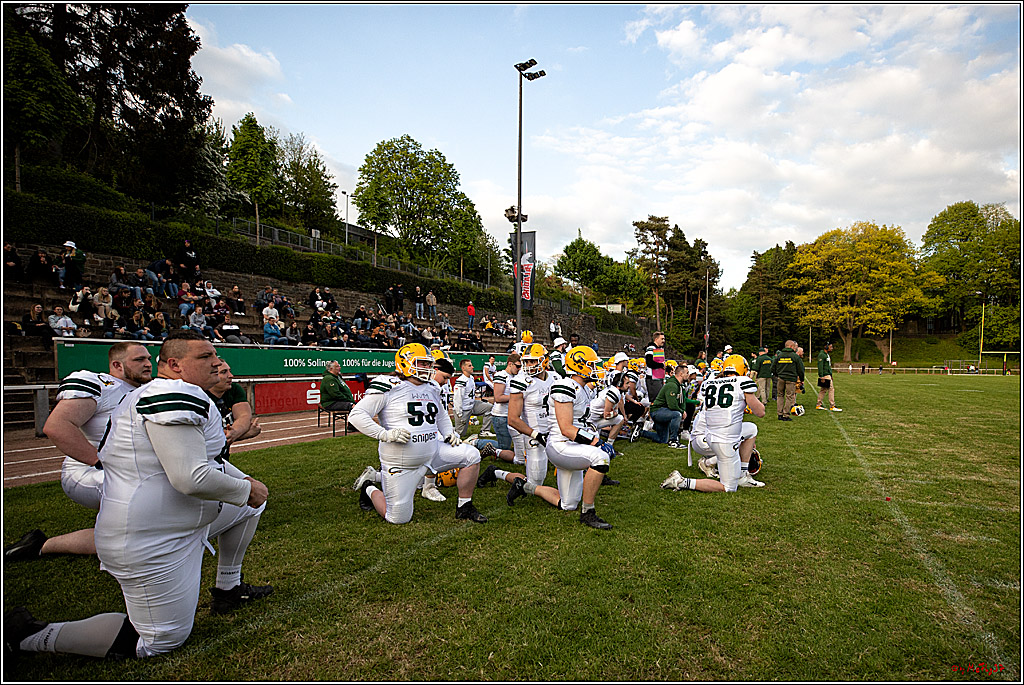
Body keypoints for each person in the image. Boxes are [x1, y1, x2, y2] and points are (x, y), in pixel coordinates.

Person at [5, 332, 271, 661]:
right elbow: (189, 476)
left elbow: (203, 460)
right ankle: (30, 634)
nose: (215, 362)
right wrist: (246, 488)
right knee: (162, 639)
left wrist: (241, 481)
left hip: (176, 523)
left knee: (247, 511)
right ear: (175, 364)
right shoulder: (173, 392)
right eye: (204, 357)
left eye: (214, 354)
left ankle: (229, 589)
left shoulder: (162, 392)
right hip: (150, 536)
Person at [5, 343, 154, 562]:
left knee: (152, 526)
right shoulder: (102, 385)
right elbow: (57, 426)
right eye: (139, 360)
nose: (148, 364)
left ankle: (120, 525)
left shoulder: (146, 390)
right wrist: (101, 461)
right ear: (117, 365)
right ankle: (41, 546)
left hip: (128, 469)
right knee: (148, 527)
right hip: (86, 472)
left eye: (149, 358)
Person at [348, 343, 487, 524]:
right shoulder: (389, 385)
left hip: (433, 452)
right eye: (421, 363)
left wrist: (448, 433)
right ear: (405, 363)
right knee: (398, 518)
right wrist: (385, 435)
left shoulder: (431, 387)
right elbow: (356, 415)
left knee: (472, 455)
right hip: (401, 461)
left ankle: (464, 506)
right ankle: (369, 488)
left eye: (428, 364)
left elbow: (441, 414)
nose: (426, 368)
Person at [503, 346, 615, 530]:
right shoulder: (565, 386)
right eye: (591, 365)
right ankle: (588, 513)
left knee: (568, 504)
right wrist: (597, 442)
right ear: (579, 366)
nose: (596, 369)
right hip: (561, 445)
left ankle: (524, 486)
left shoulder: (582, 388)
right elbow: (567, 429)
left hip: (573, 445)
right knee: (600, 458)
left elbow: (581, 422)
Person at [661, 354, 766, 492]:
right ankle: (681, 482)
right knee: (728, 487)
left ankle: (740, 473)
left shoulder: (711, 382)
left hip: (708, 435)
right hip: (723, 439)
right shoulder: (742, 381)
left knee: (751, 429)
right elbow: (760, 412)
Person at [477, 353, 525, 467]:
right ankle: (477, 442)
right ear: (510, 364)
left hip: (513, 415)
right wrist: (518, 396)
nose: (519, 369)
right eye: (518, 366)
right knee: (504, 447)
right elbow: (498, 398)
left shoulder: (516, 376)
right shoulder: (501, 375)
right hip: (501, 416)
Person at [637, 362, 689, 447]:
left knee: (662, 439)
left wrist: (682, 410)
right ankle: (673, 440)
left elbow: (681, 401)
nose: (688, 375)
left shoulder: (678, 385)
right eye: (687, 373)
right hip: (658, 411)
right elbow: (672, 405)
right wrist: (682, 411)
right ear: (681, 374)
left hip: (663, 411)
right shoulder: (672, 385)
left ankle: (640, 432)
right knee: (677, 414)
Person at [453, 358, 493, 438]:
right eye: (469, 366)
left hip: (472, 405)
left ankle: (485, 431)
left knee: (489, 407)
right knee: (460, 435)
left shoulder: (471, 378)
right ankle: (452, 429)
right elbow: (457, 399)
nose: (472, 367)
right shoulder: (461, 381)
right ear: (463, 368)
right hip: (463, 409)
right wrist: (459, 413)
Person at [771, 340, 804, 421]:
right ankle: (786, 415)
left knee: (780, 395)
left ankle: (779, 414)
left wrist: (777, 374)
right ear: (791, 347)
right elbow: (800, 369)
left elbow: (772, 367)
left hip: (781, 378)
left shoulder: (779, 355)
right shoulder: (795, 356)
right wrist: (801, 379)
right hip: (791, 379)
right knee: (789, 396)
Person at [816, 342, 843, 412]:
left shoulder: (826, 355)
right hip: (825, 375)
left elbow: (828, 366)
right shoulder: (822, 355)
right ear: (826, 347)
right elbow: (820, 366)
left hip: (828, 374)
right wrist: (821, 376)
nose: (832, 348)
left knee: (823, 390)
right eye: (830, 347)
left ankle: (818, 404)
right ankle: (832, 405)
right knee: (831, 389)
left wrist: (831, 375)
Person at [644, 331, 667, 400]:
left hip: (658, 377)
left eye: (664, 339)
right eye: (662, 339)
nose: (663, 341)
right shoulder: (651, 348)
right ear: (656, 339)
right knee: (656, 399)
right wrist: (661, 365)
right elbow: (649, 362)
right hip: (652, 378)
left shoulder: (659, 349)